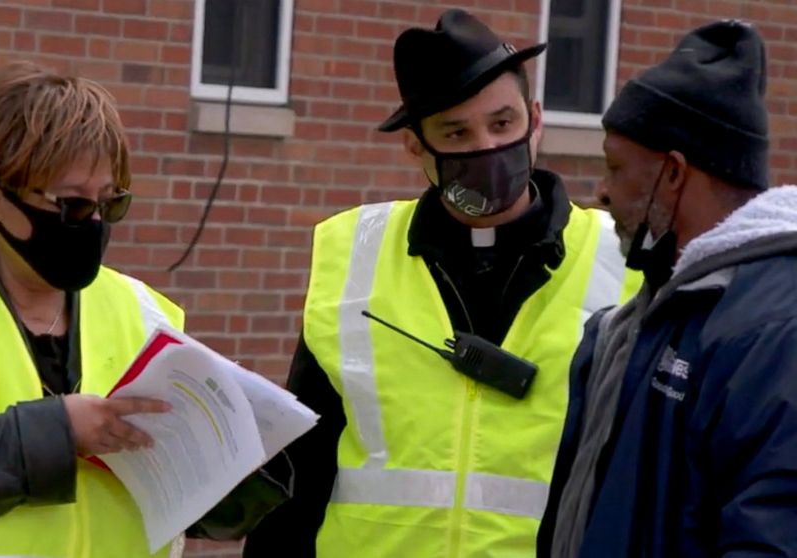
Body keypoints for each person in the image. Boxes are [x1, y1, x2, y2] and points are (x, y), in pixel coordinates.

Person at [0, 62, 288, 558]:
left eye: (110, 203)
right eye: (74, 205)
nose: (94, 224)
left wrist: (237, 455)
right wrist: (56, 432)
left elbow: (197, 513)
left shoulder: (144, 312)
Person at [243, 9, 640, 557]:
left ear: (536, 119)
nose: (485, 147)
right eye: (457, 132)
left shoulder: (621, 262)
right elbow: (303, 469)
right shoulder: (354, 254)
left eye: (502, 124)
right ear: (416, 148)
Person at [538, 20, 797, 558]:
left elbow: (780, 532)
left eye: (616, 169)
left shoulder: (775, 329)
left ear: (673, 174)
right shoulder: (667, 310)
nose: (602, 192)